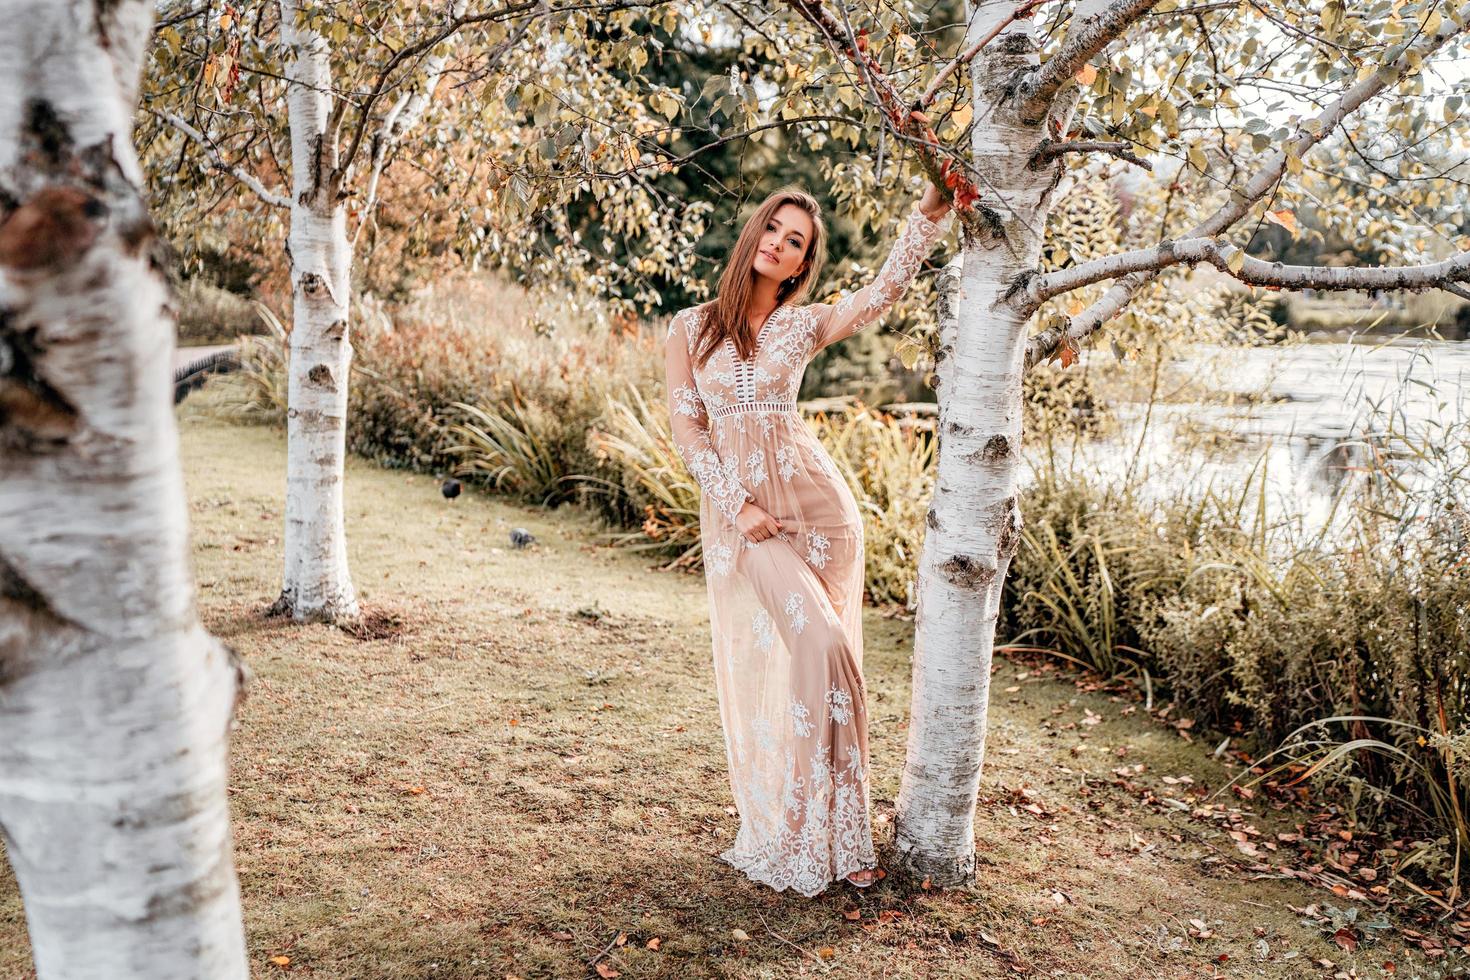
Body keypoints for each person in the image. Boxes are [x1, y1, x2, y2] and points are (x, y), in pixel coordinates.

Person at [664, 184, 953, 896]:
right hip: (752, 524)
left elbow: (883, 292)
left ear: (800, 266)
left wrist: (930, 210)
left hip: (822, 516)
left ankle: (839, 832)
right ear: (755, 233)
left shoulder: (803, 326)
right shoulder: (691, 329)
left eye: (796, 242)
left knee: (825, 668)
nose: (780, 244)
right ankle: (803, 827)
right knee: (822, 651)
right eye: (774, 228)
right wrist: (737, 507)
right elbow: (688, 432)